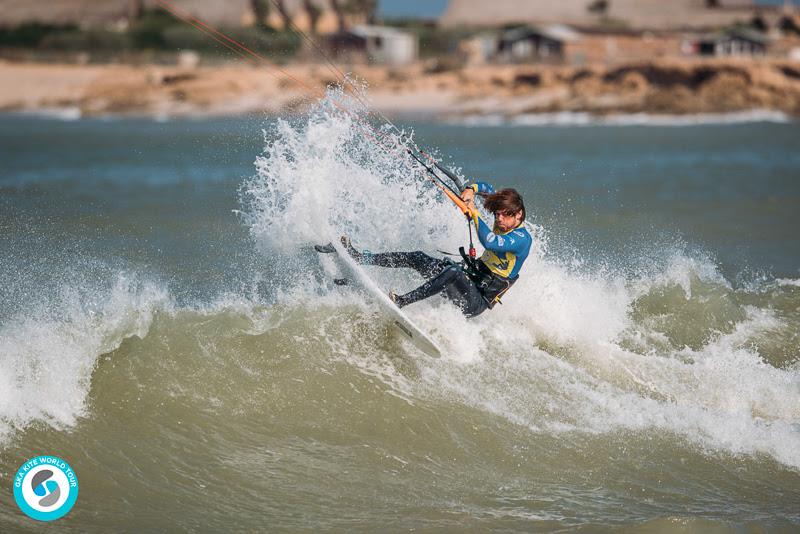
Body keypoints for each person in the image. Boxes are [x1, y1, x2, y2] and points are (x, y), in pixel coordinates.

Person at [342, 182, 532, 318]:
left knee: (453, 272)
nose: (499, 219)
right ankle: (359, 257)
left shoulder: (522, 239)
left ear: (518, 214)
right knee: (418, 258)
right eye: (497, 214)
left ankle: (401, 301)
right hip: (463, 284)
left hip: (474, 303)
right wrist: (471, 190)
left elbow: (491, 242)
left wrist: (474, 213)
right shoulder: (504, 216)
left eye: (505, 215)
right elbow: (488, 189)